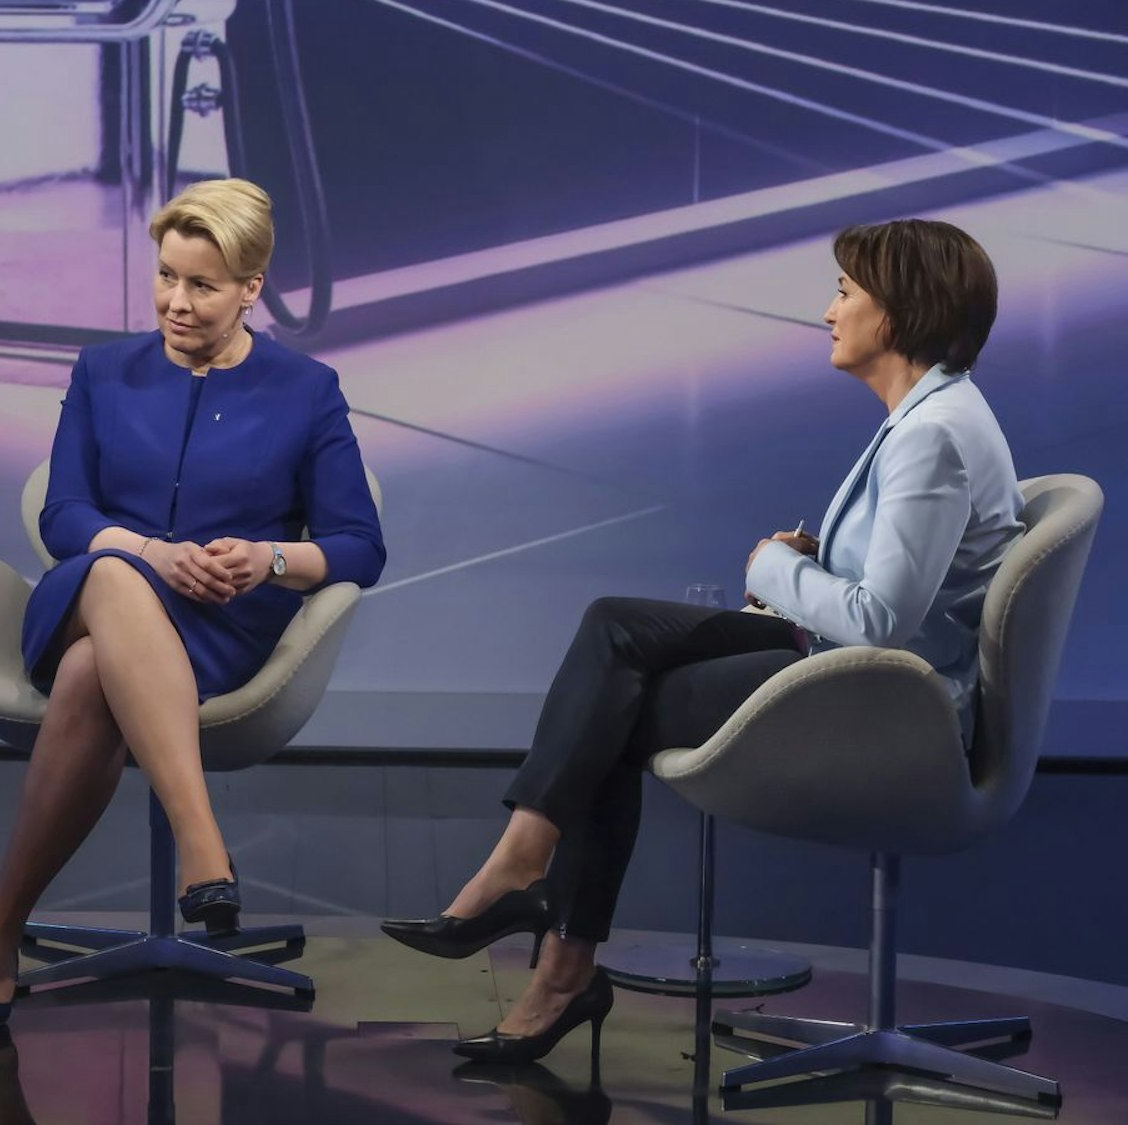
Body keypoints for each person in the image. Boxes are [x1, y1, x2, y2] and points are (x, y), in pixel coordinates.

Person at [382, 218, 1021, 1065]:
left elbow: (879, 621)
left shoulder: (933, 433)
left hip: (883, 702)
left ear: (897, 313)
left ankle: (553, 944)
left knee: (614, 708)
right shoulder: (933, 414)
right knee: (615, 625)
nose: (827, 312)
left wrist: (771, 564)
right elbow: (904, 585)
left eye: (843, 292)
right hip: (846, 668)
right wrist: (811, 560)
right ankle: (532, 890)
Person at [0, 178, 386, 1035]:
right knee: (113, 577)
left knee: (87, 677)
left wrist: (270, 557)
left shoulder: (307, 389)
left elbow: (359, 544)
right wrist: (149, 552)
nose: (175, 302)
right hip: (89, 593)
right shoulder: (104, 370)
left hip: (221, 627)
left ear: (251, 289)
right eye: (166, 276)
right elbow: (63, 514)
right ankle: (202, 844)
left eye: (202, 285)